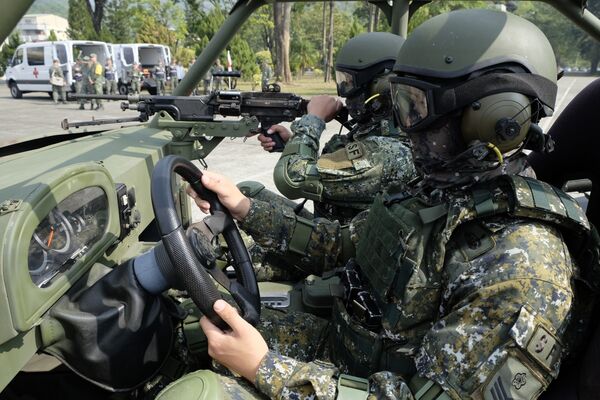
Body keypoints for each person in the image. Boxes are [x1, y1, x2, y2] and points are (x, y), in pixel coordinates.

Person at [179, 9, 593, 400]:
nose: (403, 126)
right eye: (399, 103)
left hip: (372, 381)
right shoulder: (438, 187)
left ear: (495, 119)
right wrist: (246, 209)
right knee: (181, 327)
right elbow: (340, 244)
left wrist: (265, 369)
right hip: (346, 351)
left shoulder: (522, 270)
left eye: (415, 107)